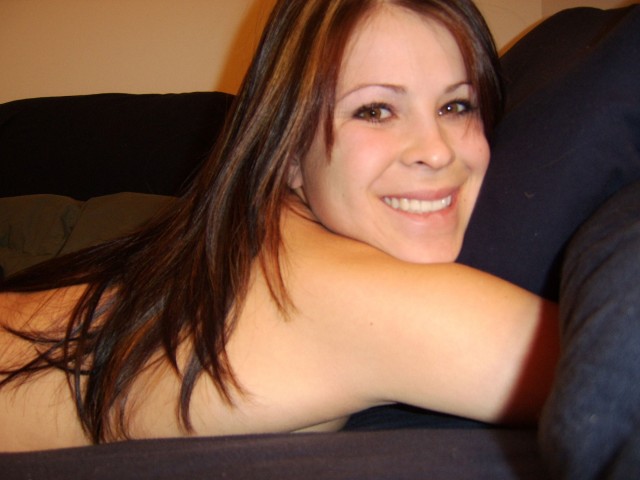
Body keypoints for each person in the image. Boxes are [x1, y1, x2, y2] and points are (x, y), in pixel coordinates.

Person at [0, 0, 559, 452]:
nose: (436, 151)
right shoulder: (348, 294)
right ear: (288, 156)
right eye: (375, 110)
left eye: (456, 106)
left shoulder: (276, 228)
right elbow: (598, 371)